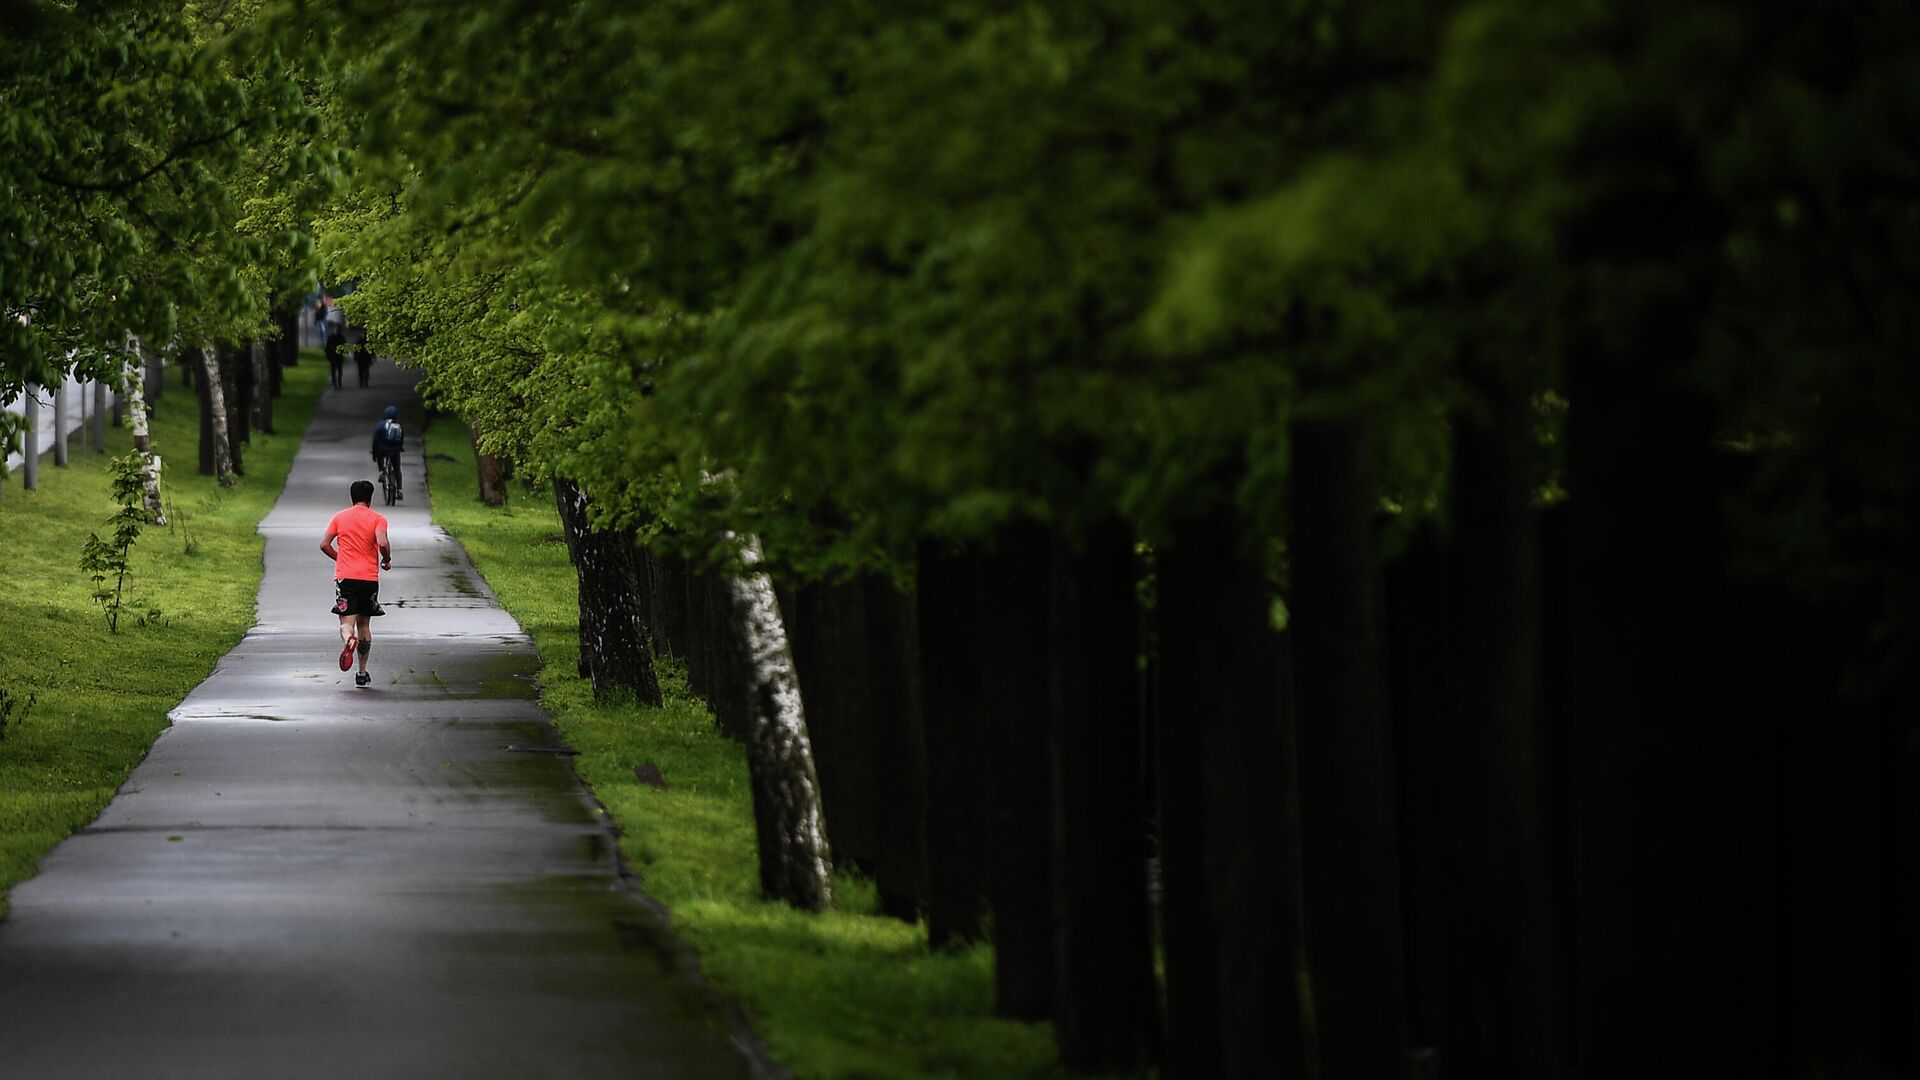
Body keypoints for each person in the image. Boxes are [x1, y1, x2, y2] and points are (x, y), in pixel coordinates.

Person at [320, 480, 391, 687]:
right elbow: (383, 543)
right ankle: (361, 672)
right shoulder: (378, 519)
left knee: (346, 624)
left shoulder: (339, 517)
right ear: (370, 497)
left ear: (351, 497)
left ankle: (348, 639)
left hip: (346, 578)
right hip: (368, 579)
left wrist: (339, 558)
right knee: (365, 624)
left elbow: (324, 544)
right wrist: (385, 559)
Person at [372, 405, 404, 500]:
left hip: (383, 450)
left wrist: (374, 454)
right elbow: (401, 439)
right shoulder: (398, 426)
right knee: (397, 469)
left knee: (380, 456)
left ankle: (382, 471)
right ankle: (399, 489)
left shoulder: (381, 425)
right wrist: (400, 448)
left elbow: (375, 441)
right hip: (395, 451)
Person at [324, 301, 347, 390]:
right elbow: (327, 347)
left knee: (339, 370)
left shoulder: (340, 337)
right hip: (334, 356)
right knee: (334, 370)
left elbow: (344, 346)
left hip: (338, 356)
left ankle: (338, 383)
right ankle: (335, 383)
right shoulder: (332, 337)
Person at [350, 323, 374, 387]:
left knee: (364, 371)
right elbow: (356, 350)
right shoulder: (360, 341)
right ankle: (363, 382)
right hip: (362, 358)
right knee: (363, 371)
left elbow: (371, 350)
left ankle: (364, 382)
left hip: (364, 357)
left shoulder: (364, 341)